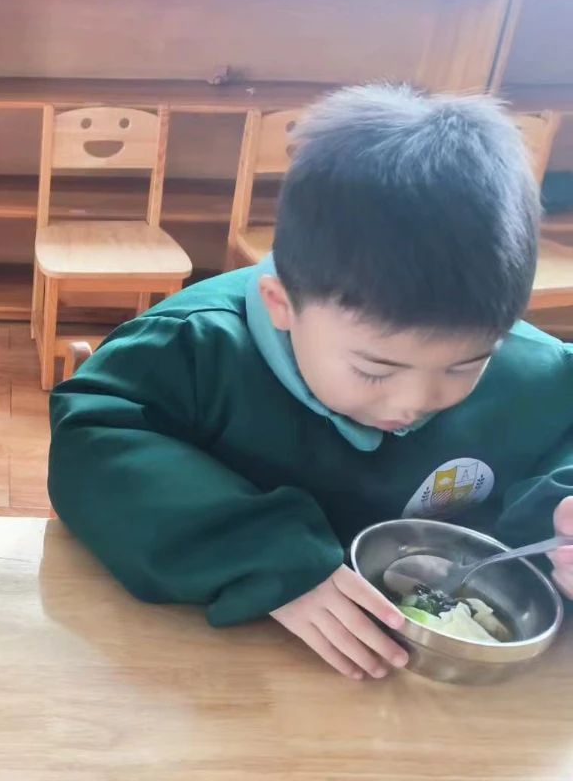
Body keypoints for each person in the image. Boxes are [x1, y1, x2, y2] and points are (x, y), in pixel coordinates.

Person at [48, 85, 573, 681]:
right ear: (282, 305)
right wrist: (264, 557)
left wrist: (560, 516)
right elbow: (92, 448)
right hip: (220, 669)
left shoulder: (533, 368)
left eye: (464, 366)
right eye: (375, 369)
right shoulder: (190, 350)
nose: (416, 402)